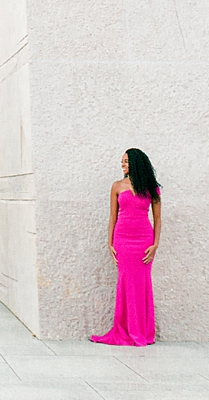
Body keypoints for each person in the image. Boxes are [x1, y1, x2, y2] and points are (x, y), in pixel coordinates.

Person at [90, 148, 161, 346]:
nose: (123, 165)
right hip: (123, 239)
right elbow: (112, 216)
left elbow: (157, 218)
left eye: (126, 161)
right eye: (122, 162)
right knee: (125, 283)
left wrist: (155, 244)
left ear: (137, 163)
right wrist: (109, 242)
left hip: (144, 241)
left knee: (142, 283)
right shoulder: (117, 186)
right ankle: (126, 330)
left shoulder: (150, 187)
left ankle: (143, 331)